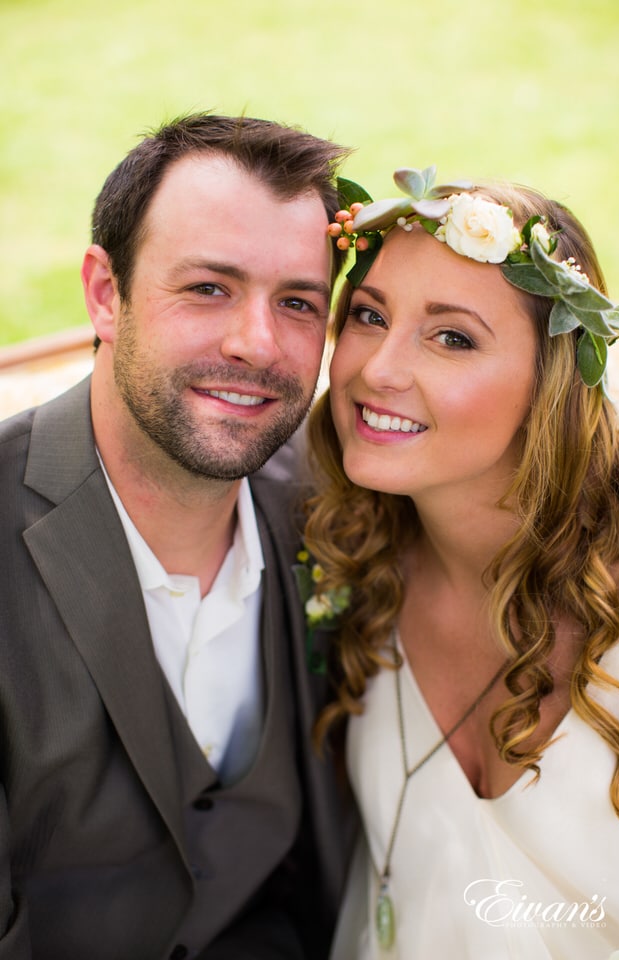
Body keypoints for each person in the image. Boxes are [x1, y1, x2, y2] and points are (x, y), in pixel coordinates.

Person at [0, 112, 354, 960]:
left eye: (299, 302)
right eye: (207, 287)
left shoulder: (338, 507)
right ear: (104, 294)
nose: (256, 344)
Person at [302, 165, 619, 958]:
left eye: (451, 337)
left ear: (547, 382)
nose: (376, 370)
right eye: (367, 315)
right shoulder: (351, 549)